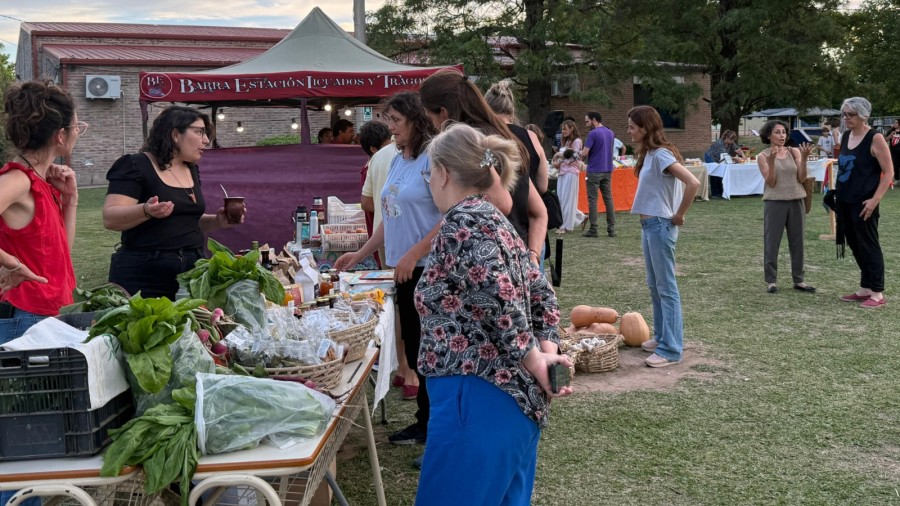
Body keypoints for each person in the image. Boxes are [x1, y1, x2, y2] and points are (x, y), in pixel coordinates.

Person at [414, 122, 573, 505]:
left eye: (428, 172)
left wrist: (536, 359)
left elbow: (497, 297)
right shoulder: (497, 223)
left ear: (444, 173)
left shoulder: (462, 223)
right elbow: (542, 296)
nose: (429, 181)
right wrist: (545, 353)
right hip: (514, 400)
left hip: (476, 394)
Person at [333, 91, 439, 450]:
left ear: (416, 120)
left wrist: (414, 253)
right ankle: (424, 420)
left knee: (429, 347)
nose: (389, 127)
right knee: (414, 343)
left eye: (396, 120)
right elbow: (388, 219)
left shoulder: (431, 159)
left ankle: (433, 424)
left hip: (428, 268)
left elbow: (451, 215)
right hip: (402, 269)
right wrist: (359, 253)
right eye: (387, 120)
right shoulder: (396, 158)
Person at [103, 106, 244, 300]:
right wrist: (146, 210)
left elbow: (186, 221)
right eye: (199, 132)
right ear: (175, 134)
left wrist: (218, 221)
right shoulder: (135, 165)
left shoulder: (191, 169)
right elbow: (111, 218)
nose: (205, 140)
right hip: (144, 273)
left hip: (191, 270)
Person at [420, 70, 547, 264]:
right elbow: (538, 211)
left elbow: (500, 203)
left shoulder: (465, 146)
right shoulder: (507, 137)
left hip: (482, 261)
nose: (434, 127)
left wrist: (414, 253)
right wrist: (533, 255)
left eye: (431, 118)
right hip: (515, 256)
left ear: (443, 113)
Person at [0, 81, 82, 345]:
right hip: (27, 318)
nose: (78, 133)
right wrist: (9, 262)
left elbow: (61, 256)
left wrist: (70, 200)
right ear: (60, 136)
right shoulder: (19, 179)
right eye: (76, 127)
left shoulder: (40, 181)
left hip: (50, 312)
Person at [626, 105, 700, 368]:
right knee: (655, 285)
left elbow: (693, 182)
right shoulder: (650, 155)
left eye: (632, 127)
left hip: (660, 225)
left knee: (666, 288)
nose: (629, 131)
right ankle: (661, 338)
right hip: (649, 227)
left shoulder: (661, 155)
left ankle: (671, 349)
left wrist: (680, 214)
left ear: (645, 128)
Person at [833, 97, 893, 308]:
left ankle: (877, 292)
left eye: (851, 114)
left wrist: (875, 200)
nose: (846, 118)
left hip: (864, 202)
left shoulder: (875, 138)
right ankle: (866, 287)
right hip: (844, 200)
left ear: (863, 115)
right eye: (844, 114)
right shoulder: (847, 135)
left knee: (868, 245)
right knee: (855, 244)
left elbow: (888, 172)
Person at [756, 120, 816, 294]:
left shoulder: (793, 151)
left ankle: (799, 280)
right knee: (772, 242)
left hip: (796, 200)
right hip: (774, 202)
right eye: (777, 132)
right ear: (768, 135)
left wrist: (803, 159)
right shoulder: (763, 156)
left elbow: (802, 178)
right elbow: (771, 182)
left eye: (784, 132)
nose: (782, 135)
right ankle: (771, 281)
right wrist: (772, 162)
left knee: (798, 242)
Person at [581, 112, 616, 237]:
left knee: (593, 200)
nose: (586, 125)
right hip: (607, 169)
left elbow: (584, 153)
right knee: (608, 199)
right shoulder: (610, 133)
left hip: (594, 170)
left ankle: (594, 229)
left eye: (587, 121)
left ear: (594, 120)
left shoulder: (593, 133)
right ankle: (611, 229)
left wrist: (576, 156)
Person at [552, 119, 583, 234]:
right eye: (562, 129)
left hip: (571, 172)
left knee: (567, 199)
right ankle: (580, 217)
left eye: (565, 129)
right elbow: (564, 157)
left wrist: (560, 156)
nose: (563, 131)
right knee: (560, 198)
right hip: (562, 172)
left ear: (571, 129)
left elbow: (575, 156)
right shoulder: (565, 142)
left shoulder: (577, 141)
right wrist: (557, 162)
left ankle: (565, 226)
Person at [705, 130, 745, 199]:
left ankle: (721, 191)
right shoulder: (719, 143)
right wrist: (736, 159)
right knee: (715, 172)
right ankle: (715, 193)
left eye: (733, 140)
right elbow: (725, 156)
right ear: (726, 137)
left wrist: (743, 155)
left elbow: (737, 149)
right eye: (731, 139)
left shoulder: (731, 142)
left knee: (720, 171)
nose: (732, 141)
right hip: (710, 157)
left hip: (720, 158)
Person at [886, 118, 900, 183]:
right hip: (893, 151)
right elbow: (885, 139)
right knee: (895, 165)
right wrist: (890, 135)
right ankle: (897, 179)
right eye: (894, 122)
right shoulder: (891, 131)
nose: (894, 123)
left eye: (896, 122)